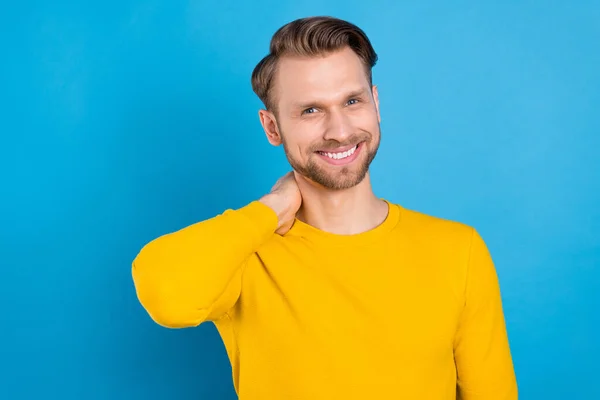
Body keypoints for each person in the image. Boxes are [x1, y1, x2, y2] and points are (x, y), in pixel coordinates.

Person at [131, 16, 518, 399]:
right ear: (272, 128)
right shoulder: (245, 257)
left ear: (376, 102)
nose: (339, 131)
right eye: (310, 110)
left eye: (352, 100)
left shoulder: (458, 251)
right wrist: (272, 208)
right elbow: (167, 294)